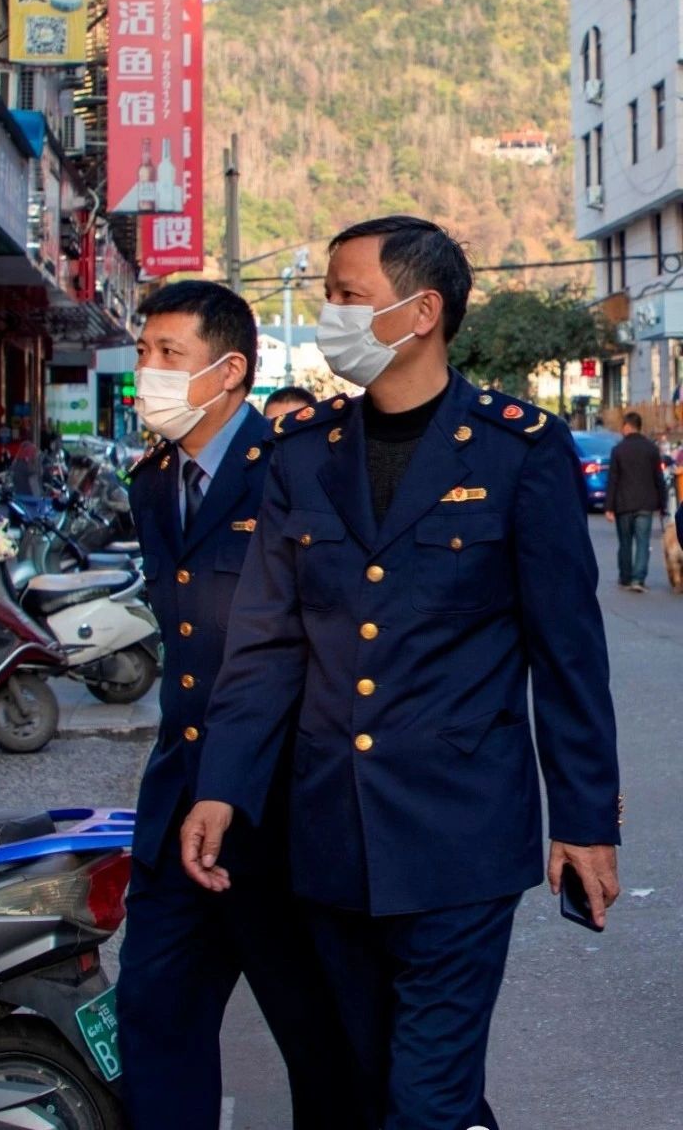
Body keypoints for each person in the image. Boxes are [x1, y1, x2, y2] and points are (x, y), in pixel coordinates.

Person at [181, 216, 621, 1130]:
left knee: (424, 1098)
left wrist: (584, 820)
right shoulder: (302, 456)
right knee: (376, 1081)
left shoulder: (516, 452)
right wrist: (222, 786)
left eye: (346, 296)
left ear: (420, 312)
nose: (327, 314)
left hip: (460, 834)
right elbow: (266, 643)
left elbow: (567, 653)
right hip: (330, 832)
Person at [119, 280, 359, 1130]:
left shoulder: (302, 468)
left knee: (323, 1039)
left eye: (168, 355)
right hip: (181, 799)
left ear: (228, 373)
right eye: (144, 352)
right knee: (153, 1020)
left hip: (280, 811)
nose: (146, 370)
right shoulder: (153, 481)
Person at [604, 410, 666, 592]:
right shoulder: (652, 449)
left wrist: (609, 507)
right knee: (643, 542)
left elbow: (613, 479)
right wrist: (663, 504)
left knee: (625, 542)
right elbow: (659, 478)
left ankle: (625, 577)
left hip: (623, 504)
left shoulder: (618, 450)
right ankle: (638, 579)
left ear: (627, 426)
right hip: (646, 504)